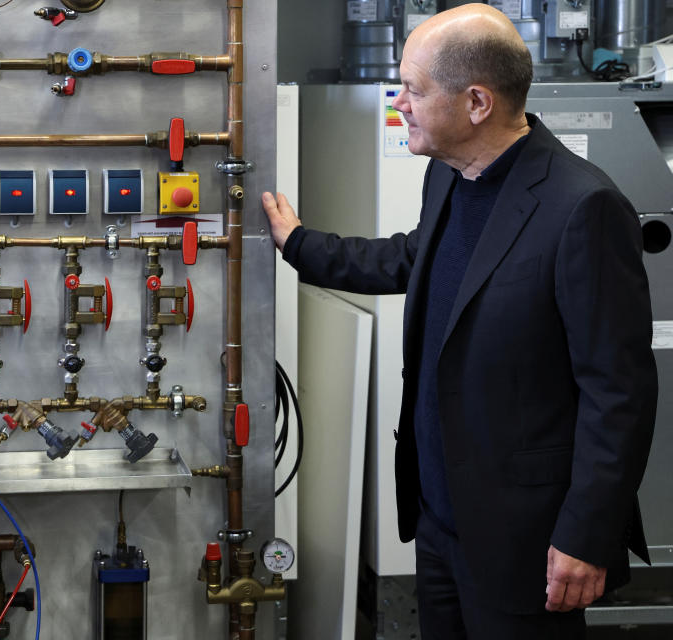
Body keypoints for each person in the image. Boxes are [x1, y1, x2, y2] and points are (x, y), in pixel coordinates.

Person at [263, 5, 657, 639]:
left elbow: (620, 395)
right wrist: (300, 244)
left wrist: (586, 535)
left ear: (477, 102)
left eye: (414, 89)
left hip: (527, 538)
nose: (400, 104)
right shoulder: (450, 178)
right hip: (440, 523)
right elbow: (410, 258)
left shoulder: (583, 208)